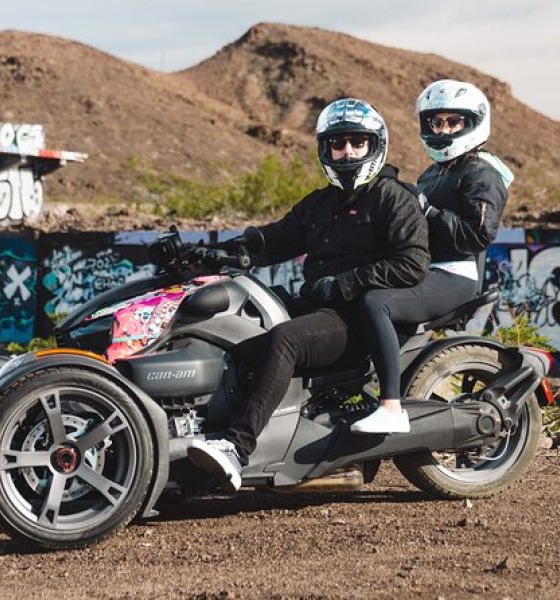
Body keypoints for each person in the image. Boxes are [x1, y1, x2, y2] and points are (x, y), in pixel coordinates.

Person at [186, 98, 430, 490]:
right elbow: (270, 241)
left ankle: (236, 448)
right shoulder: (319, 205)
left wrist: (343, 283)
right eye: (338, 143)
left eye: (357, 142)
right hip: (321, 308)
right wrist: (215, 251)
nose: (347, 151)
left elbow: (412, 264)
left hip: (360, 318)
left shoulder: (393, 197)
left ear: (375, 145)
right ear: (325, 149)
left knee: (285, 341)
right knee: (237, 332)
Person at [350, 79, 515, 434]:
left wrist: (426, 210)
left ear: (473, 123)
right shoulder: (434, 172)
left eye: (453, 122)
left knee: (376, 303)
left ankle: (390, 407)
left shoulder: (482, 172)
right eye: (436, 123)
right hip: (422, 267)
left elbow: (477, 235)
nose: (443, 130)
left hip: (456, 274)